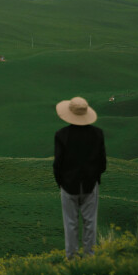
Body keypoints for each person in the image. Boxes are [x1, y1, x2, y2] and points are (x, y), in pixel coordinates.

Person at [53, 96, 107, 261]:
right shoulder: (97, 134)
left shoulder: (62, 135)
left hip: (69, 185)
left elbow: (58, 164)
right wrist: (95, 177)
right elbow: (102, 163)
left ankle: (72, 257)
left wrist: (60, 182)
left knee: (70, 223)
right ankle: (89, 256)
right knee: (90, 222)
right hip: (90, 184)